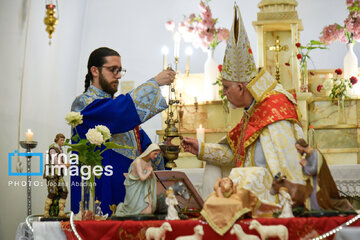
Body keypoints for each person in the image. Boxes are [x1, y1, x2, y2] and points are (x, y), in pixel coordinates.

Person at [181, 4, 305, 202]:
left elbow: (283, 164)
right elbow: (236, 155)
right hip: (250, 194)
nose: (224, 92)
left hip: (273, 200)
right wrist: (201, 149)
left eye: (227, 87)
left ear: (241, 87)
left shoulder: (273, 108)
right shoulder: (253, 111)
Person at [71, 47, 175, 215]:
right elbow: (116, 114)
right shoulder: (83, 104)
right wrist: (155, 83)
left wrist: (161, 151)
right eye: (113, 70)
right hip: (101, 190)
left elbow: (144, 147)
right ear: (95, 71)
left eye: (120, 70)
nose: (118, 75)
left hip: (130, 192)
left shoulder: (123, 113)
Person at [295, 138, 352, 210]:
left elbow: (314, 170)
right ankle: (316, 214)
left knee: (323, 201)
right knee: (312, 199)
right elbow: (307, 172)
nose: (298, 151)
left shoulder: (315, 153)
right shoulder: (307, 156)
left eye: (298, 149)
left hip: (320, 182)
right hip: (313, 183)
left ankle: (344, 204)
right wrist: (304, 166)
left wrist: (305, 165)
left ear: (301, 146)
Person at [115, 143, 160, 216]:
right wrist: (149, 171)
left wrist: (151, 173)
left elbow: (151, 177)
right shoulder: (138, 161)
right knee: (136, 211)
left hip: (144, 188)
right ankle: (124, 208)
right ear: (149, 152)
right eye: (155, 154)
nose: (156, 156)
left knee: (149, 211)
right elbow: (142, 178)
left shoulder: (148, 161)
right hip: (135, 187)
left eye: (157, 154)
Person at [43, 133, 69, 218]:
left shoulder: (60, 150)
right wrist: (65, 165)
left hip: (58, 174)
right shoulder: (53, 149)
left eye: (63, 140)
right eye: (61, 140)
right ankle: (46, 211)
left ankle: (61, 211)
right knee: (52, 191)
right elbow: (56, 162)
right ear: (57, 140)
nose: (63, 142)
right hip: (52, 174)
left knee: (64, 190)